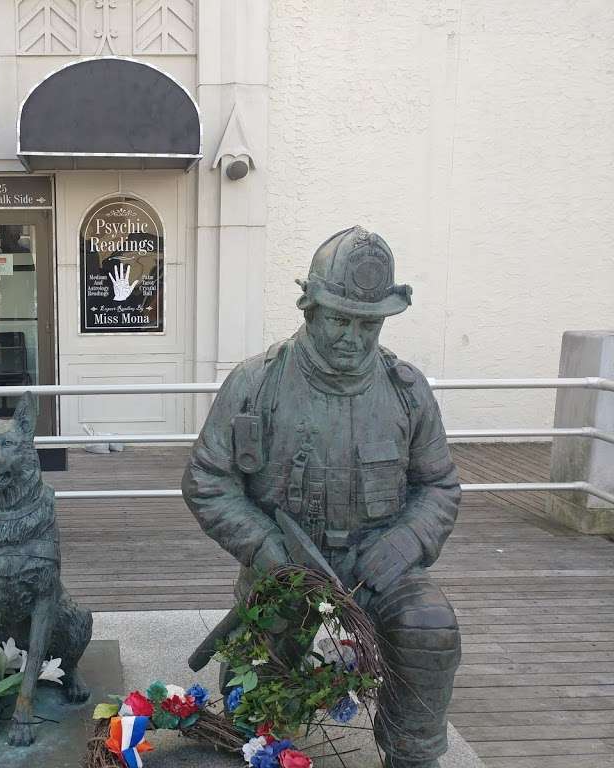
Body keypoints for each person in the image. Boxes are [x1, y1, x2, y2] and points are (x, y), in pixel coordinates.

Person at [183, 226, 461, 768]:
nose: (353, 338)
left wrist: (403, 545)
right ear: (308, 310)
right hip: (284, 568)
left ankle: (411, 755)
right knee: (252, 699)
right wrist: (263, 547)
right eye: (339, 319)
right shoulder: (255, 384)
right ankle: (257, 741)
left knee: (430, 629)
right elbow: (207, 480)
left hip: (376, 563)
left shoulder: (407, 391)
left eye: (368, 324)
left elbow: (439, 485)